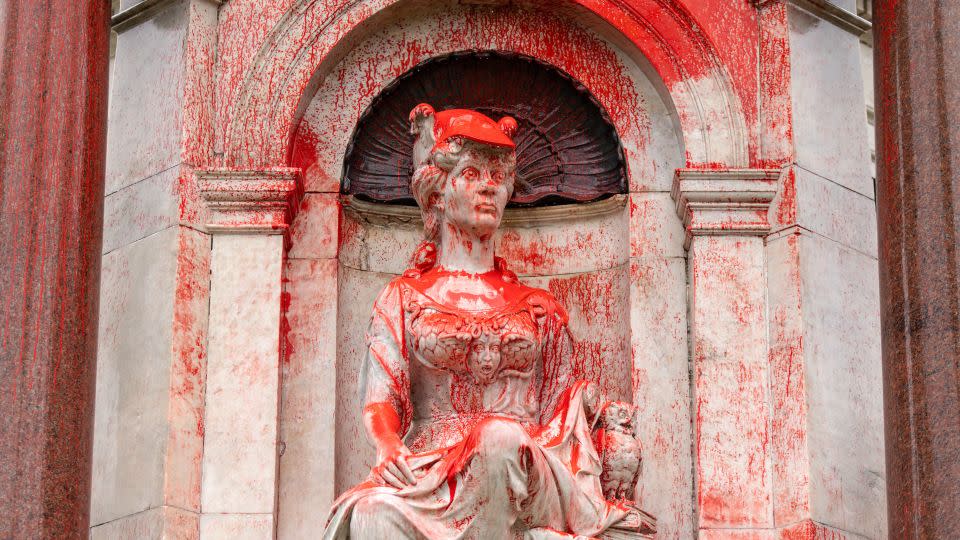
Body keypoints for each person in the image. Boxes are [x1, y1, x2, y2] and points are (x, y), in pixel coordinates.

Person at [323, 104, 654, 539]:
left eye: (499, 178)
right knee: (370, 513)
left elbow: (561, 409)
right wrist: (387, 444)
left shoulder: (538, 307)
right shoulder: (403, 299)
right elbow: (381, 399)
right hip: (431, 470)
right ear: (438, 191)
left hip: (526, 467)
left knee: (499, 438)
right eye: (474, 174)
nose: (490, 189)